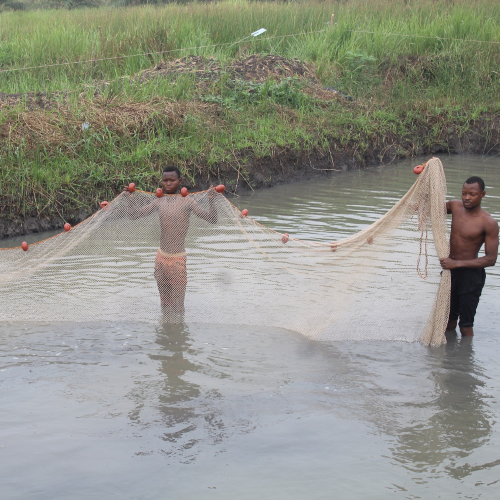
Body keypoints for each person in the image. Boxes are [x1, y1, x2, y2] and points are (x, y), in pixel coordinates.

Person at [123, 166, 218, 319]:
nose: (168, 184)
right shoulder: (159, 201)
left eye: (172, 180)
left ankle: (177, 335)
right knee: (164, 302)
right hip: (160, 258)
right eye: (165, 180)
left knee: (178, 307)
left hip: (177, 260)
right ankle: (166, 332)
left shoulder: (188, 201)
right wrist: (130, 199)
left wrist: (212, 201)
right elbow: (134, 216)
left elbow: (212, 219)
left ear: (179, 181)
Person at [440, 176, 498, 336]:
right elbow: (433, 209)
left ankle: (464, 360)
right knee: (446, 321)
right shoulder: (455, 207)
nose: (466, 198)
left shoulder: (488, 222)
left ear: (482, 194)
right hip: (450, 272)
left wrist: (456, 264)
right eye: (464, 193)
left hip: (471, 277)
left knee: (465, 326)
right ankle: (447, 359)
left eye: (472, 194)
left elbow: (491, 259)